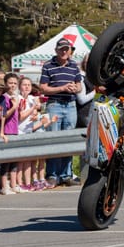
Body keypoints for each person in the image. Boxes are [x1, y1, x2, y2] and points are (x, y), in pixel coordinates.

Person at [40, 37, 82, 188]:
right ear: (56, 50)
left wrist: (75, 89)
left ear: (70, 51)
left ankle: (66, 175)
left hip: (70, 105)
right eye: (61, 49)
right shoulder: (48, 65)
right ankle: (52, 175)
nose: (64, 52)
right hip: (55, 104)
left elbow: (79, 86)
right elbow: (43, 88)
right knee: (54, 140)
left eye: (67, 49)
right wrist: (62, 88)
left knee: (68, 140)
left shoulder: (74, 66)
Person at [0, 73, 21, 195]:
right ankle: (4, 186)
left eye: (14, 83)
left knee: (14, 160)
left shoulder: (15, 97)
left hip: (15, 130)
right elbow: (4, 115)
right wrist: (14, 106)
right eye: (10, 83)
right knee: (6, 160)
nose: (12, 85)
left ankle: (13, 184)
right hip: (6, 130)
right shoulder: (5, 98)